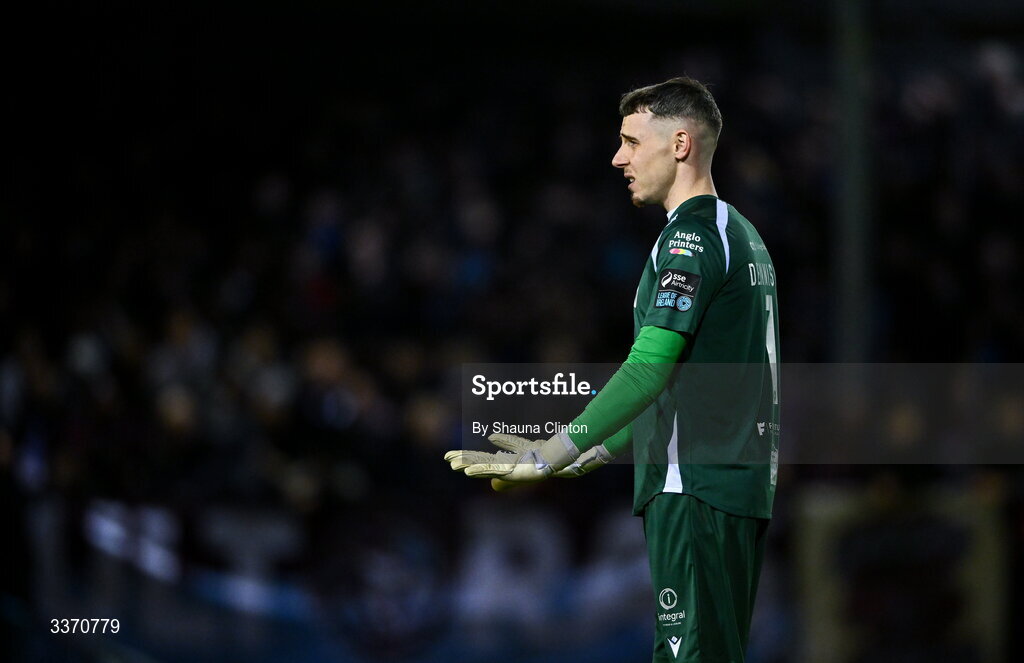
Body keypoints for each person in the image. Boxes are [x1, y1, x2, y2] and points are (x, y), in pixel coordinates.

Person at [445, 76, 780, 663]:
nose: (617, 157)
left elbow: (647, 372)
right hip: (731, 488)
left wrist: (551, 451)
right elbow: (685, 388)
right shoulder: (742, 236)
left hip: (692, 490)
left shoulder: (689, 242)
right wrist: (593, 454)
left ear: (679, 145)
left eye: (630, 141)